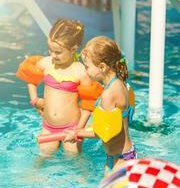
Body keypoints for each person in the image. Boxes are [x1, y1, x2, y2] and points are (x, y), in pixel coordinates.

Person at [16, 19, 102, 154]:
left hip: (71, 126)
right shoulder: (47, 64)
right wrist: (35, 100)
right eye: (50, 50)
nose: (53, 55)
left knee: (74, 159)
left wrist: (78, 129)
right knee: (42, 157)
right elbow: (29, 75)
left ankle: (82, 176)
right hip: (49, 126)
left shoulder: (80, 71)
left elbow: (88, 103)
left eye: (57, 52)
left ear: (73, 49)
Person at [64, 36, 136, 174]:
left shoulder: (108, 94)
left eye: (87, 67)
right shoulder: (121, 84)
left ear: (102, 67)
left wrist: (77, 133)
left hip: (118, 160)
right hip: (126, 154)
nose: (85, 71)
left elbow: (105, 133)